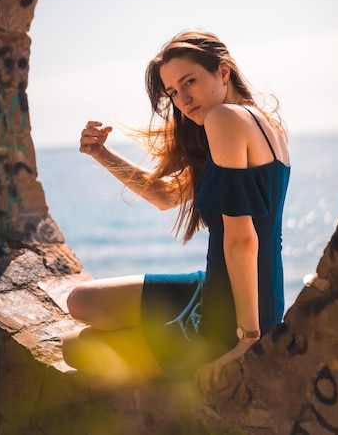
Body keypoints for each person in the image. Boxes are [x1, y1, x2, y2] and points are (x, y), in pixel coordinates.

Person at [62, 28, 290, 392]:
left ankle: (175, 340)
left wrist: (247, 339)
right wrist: (101, 153)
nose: (182, 99)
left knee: (76, 347)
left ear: (223, 71)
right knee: (82, 301)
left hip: (231, 314)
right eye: (172, 92)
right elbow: (166, 195)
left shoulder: (225, 120)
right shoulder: (260, 122)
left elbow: (243, 241)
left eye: (190, 82)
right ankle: (162, 334)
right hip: (215, 287)